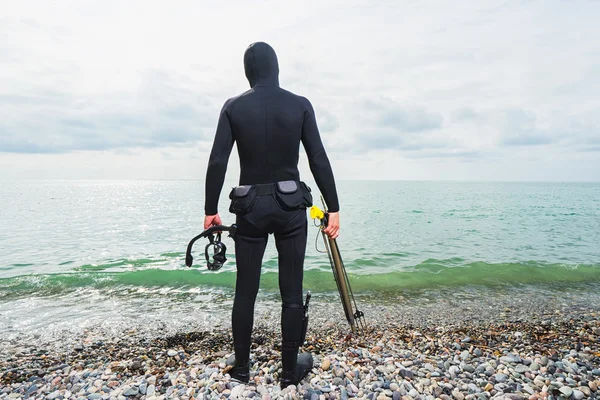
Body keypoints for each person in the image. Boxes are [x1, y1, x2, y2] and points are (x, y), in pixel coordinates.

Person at [203, 41, 340, 388]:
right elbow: (318, 158)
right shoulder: (300, 105)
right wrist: (333, 207)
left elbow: (218, 160)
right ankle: (290, 371)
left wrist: (210, 210)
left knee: (245, 290)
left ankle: (242, 369)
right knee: (291, 291)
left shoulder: (233, 107)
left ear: (248, 73)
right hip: (291, 207)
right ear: (276, 69)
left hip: (250, 209)